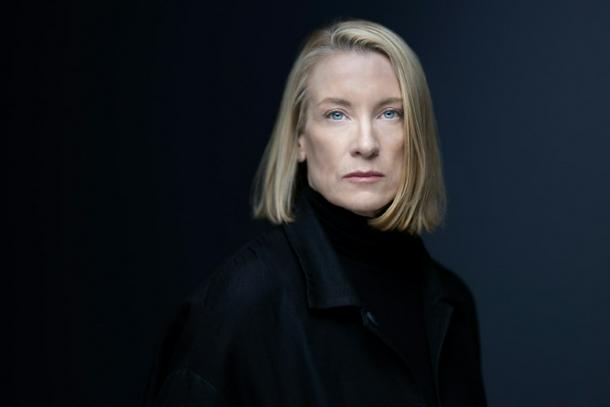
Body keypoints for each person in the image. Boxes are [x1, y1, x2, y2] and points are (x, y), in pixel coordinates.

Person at [143, 18, 487, 407]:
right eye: (337, 114)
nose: (366, 144)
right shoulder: (238, 307)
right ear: (300, 139)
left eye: (390, 113)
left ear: (417, 134)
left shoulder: (450, 303)